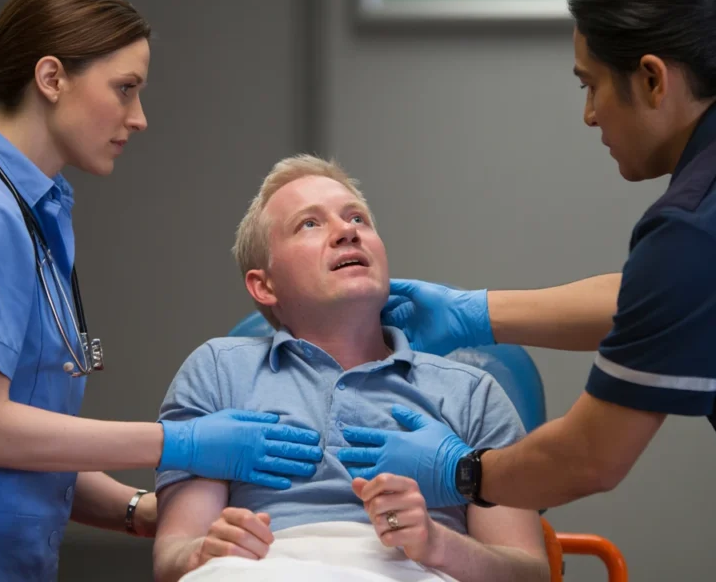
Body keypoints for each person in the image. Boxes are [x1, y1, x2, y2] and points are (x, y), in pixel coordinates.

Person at [343, 0, 716, 580]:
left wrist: (463, 472)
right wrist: (477, 313)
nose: (590, 113)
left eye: (591, 84)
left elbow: (591, 458)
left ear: (653, 78)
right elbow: (669, 303)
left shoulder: (699, 229)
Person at [0, 0, 323, 582]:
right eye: (125, 89)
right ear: (51, 78)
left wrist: (147, 510)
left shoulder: (34, 209)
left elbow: (26, 441)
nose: (139, 118)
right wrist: (179, 444)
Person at [152, 155, 547, 582]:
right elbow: (176, 555)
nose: (347, 231)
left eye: (356, 217)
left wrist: (438, 544)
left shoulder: (472, 391)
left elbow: (528, 573)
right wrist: (204, 551)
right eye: (310, 224)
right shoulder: (219, 371)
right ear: (264, 285)